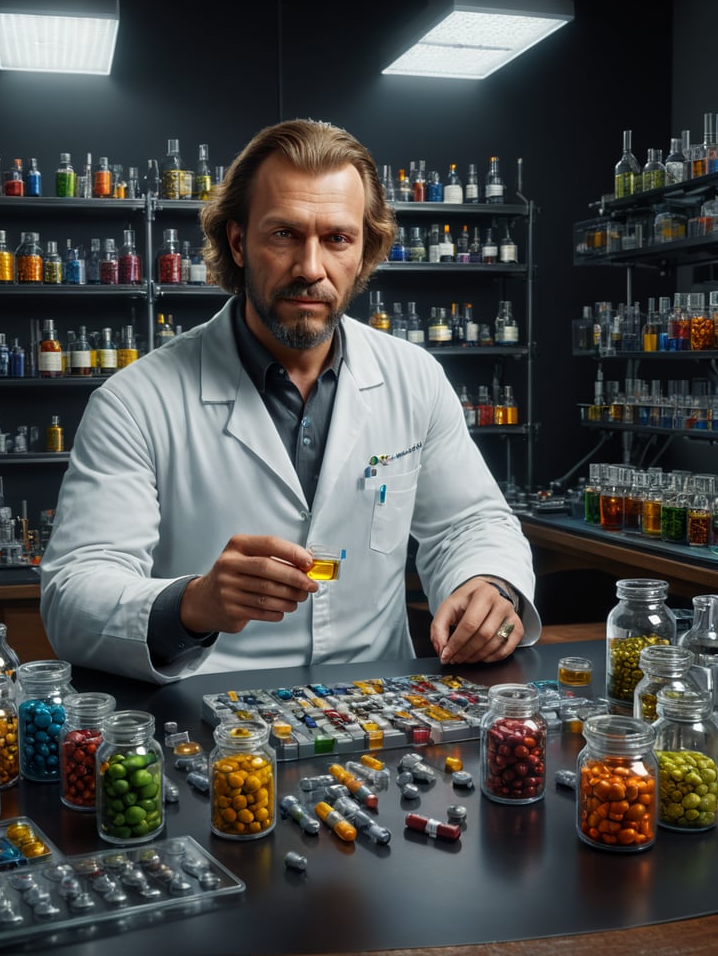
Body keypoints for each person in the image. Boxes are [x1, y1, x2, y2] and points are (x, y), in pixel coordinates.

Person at [40, 119, 539, 684]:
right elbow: (72, 595)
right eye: (284, 235)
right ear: (237, 241)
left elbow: (469, 523)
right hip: (211, 727)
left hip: (381, 708)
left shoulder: (414, 378)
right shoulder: (135, 402)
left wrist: (490, 585)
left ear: (364, 249)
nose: (310, 267)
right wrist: (194, 603)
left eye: (337, 238)